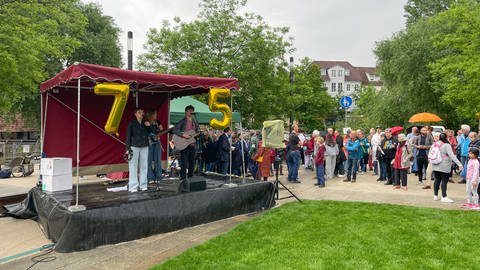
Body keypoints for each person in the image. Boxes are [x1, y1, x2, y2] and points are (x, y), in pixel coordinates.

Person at [173, 105, 200, 192]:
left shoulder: (194, 122)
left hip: (192, 145)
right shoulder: (182, 121)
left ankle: (190, 178)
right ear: (186, 112)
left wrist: (198, 134)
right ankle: (183, 178)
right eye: (189, 110)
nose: (191, 112)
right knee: (184, 163)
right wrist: (183, 135)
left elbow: (196, 132)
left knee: (192, 162)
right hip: (184, 145)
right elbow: (174, 130)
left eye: (192, 111)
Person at [432, 133, 463, 203]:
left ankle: (435, 195)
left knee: (436, 180)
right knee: (444, 181)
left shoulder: (434, 144)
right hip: (444, 165)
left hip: (435, 164)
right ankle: (444, 196)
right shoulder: (446, 145)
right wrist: (459, 164)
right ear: (446, 138)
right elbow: (452, 155)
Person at [125, 108, 150, 193]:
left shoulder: (145, 123)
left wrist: (149, 126)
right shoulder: (132, 123)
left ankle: (143, 185)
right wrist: (127, 149)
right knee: (133, 166)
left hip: (144, 146)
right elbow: (128, 136)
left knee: (144, 166)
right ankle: (133, 186)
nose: (141, 114)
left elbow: (152, 133)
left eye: (142, 112)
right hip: (134, 146)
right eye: (139, 112)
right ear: (135, 114)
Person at [146, 110, 163, 184]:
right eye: (155, 114)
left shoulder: (158, 122)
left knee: (158, 160)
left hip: (157, 142)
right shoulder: (146, 122)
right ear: (151, 115)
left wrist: (161, 130)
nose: (156, 116)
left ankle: (158, 177)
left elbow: (161, 130)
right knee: (149, 161)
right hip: (149, 143)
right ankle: (150, 177)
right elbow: (148, 132)